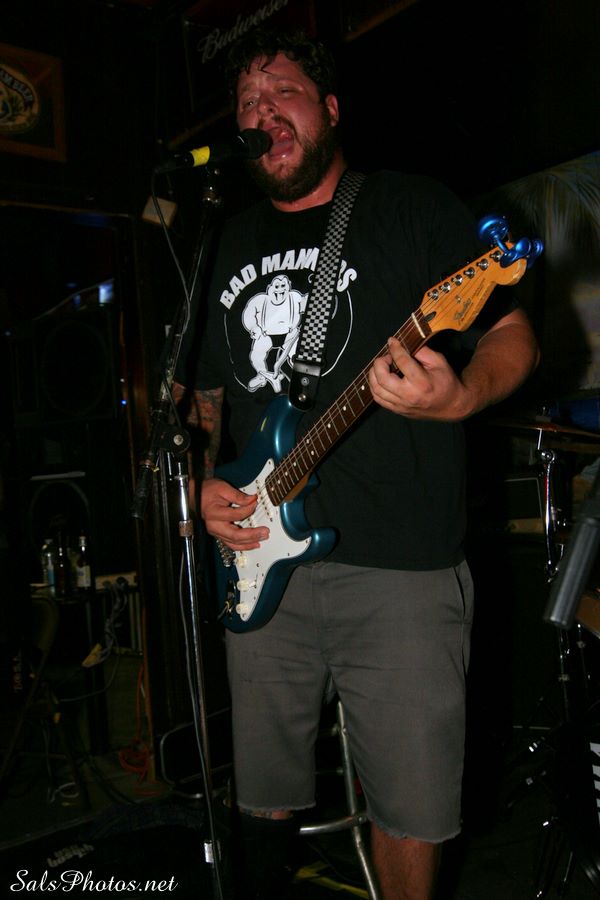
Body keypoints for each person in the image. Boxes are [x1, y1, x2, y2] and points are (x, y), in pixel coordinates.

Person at [174, 26, 540, 900]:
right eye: (249, 104)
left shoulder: (408, 207)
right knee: (261, 800)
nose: (265, 113)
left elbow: (515, 333)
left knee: (411, 809)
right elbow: (202, 404)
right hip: (258, 560)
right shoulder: (222, 244)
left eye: (284, 93)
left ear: (331, 109)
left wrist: (461, 394)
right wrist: (200, 484)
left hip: (401, 567)